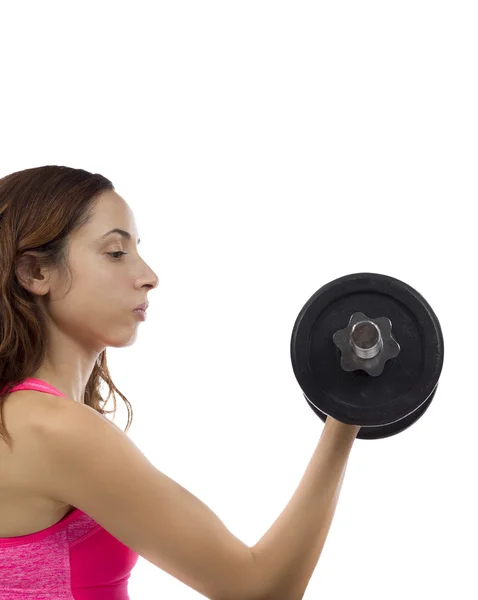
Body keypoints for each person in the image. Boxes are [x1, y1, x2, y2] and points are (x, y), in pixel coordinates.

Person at [0, 165, 361, 600]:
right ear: (36, 273)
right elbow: (262, 590)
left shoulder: (31, 417)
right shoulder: (50, 427)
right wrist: (345, 415)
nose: (149, 275)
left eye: (137, 250)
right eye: (116, 253)